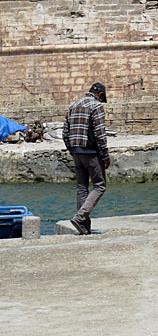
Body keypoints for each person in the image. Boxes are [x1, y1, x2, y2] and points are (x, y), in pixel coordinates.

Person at [62, 83, 111, 235]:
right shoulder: (96, 106)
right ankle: (80, 217)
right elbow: (100, 134)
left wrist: (72, 149)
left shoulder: (73, 105)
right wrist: (105, 156)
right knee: (100, 186)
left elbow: (65, 132)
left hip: (76, 152)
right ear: (100, 95)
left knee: (82, 188)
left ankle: (84, 227)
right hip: (91, 152)